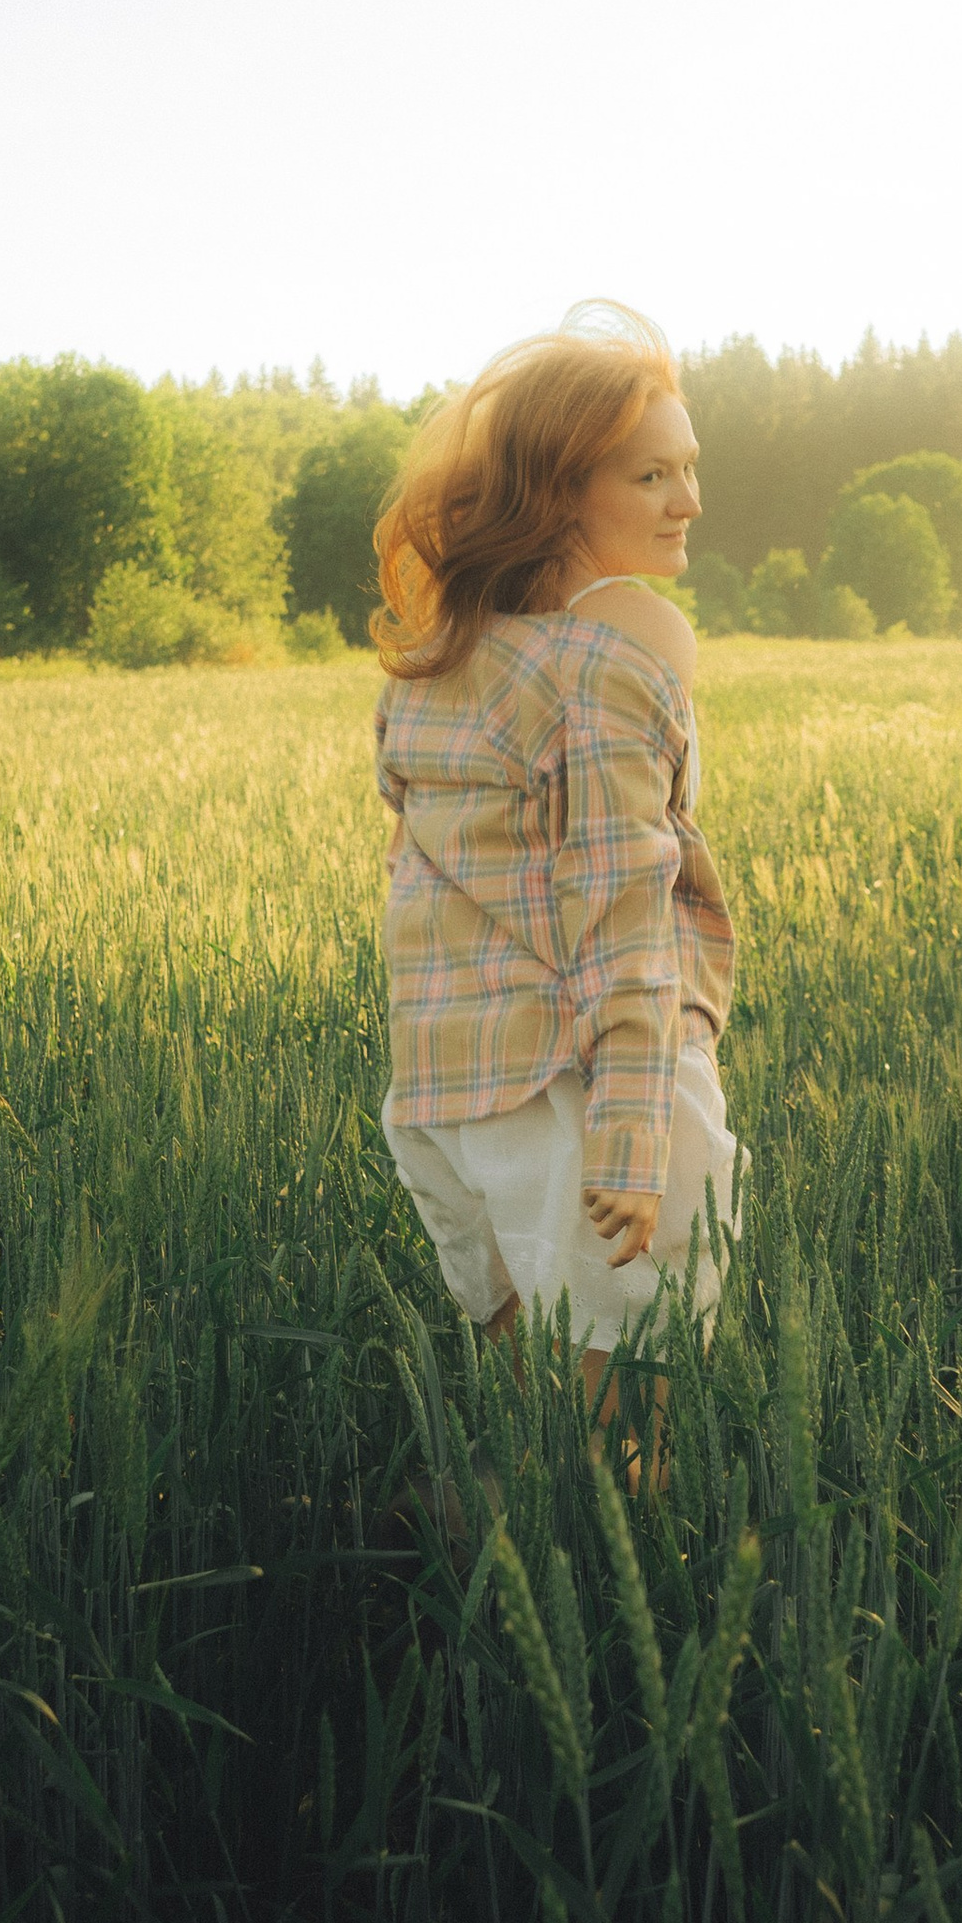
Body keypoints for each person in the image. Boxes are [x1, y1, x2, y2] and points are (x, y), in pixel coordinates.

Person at [370, 303, 737, 1427]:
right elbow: (624, 910)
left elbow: (415, 882)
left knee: (532, 1444)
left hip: (451, 1100)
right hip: (586, 1095)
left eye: (689, 467)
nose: (690, 501)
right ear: (561, 491)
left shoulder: (432, 661)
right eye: (651, 476)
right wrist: (635, 1131)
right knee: (622, 1470)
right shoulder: (616, 646)